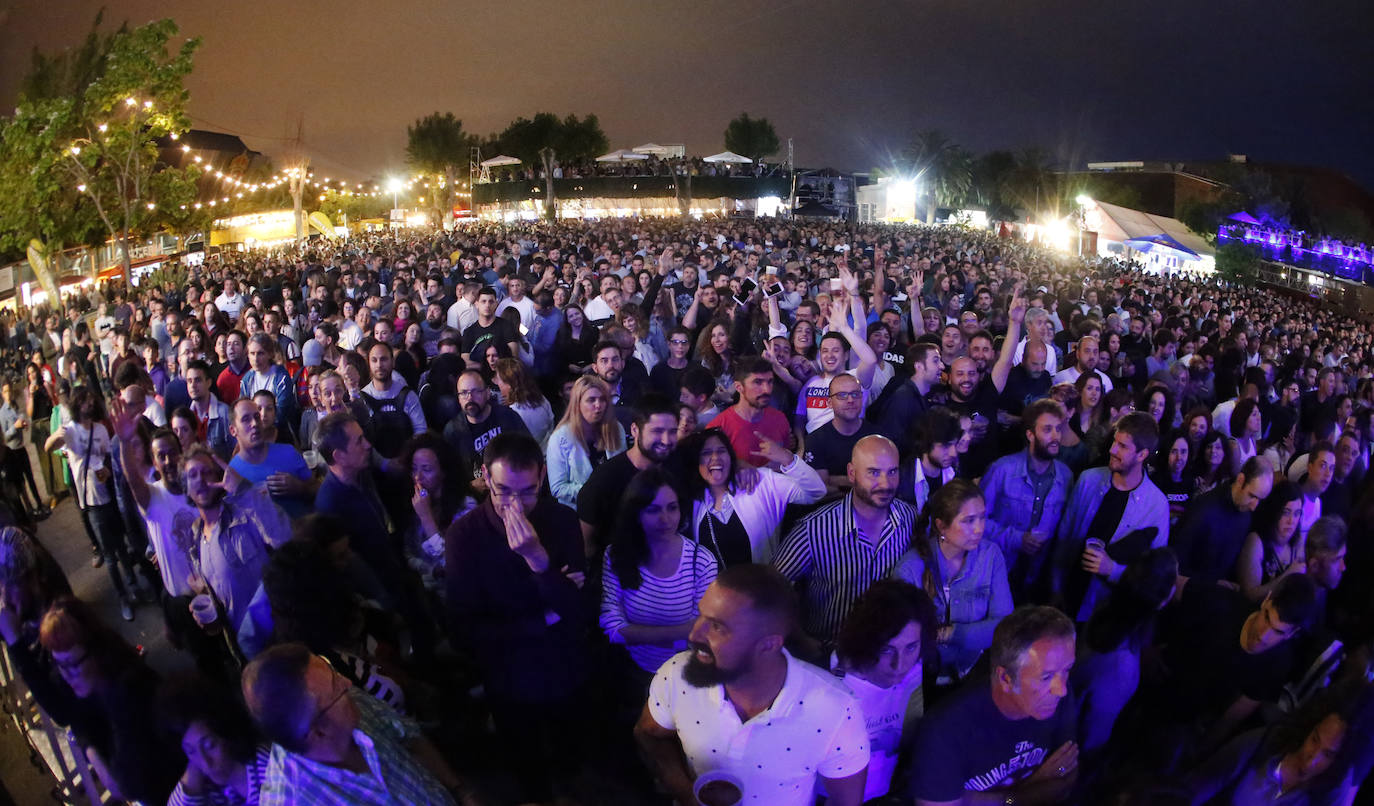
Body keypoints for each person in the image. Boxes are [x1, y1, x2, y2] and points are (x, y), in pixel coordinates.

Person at [635, 564, 870, 806]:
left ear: (768, 645)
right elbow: (650, 734)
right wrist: (685, 793)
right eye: (701, 615)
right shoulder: (676, 675)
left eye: (717, 627)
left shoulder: (837, 710)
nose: (694, 635)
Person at [445, 432, 588, 802]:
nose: (517, 506)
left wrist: (539, 561)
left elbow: (576, 612)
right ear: (485, 479)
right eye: (504, 491)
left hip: (564, 665)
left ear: (541, 476)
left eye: (527, 492)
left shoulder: (562, 521)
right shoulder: (464, 536)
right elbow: (466, 630)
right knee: (525, 762)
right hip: (508, 676)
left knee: (571, 753)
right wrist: (543, 618)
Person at [240, 643, 467, 805]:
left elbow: (409, 735)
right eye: (336, 687)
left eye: (330, 669)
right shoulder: (292, 798)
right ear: (318, 732)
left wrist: (462, 791)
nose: (347, 683)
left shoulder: (349, 700)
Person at [908, 605, 1079, 806]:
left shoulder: (1058, 699)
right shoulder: (946, 730)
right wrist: (1031, 787)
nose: (1062, 690)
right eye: (1046, 677)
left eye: (1067, 670)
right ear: (1006, 679)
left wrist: (985, 800)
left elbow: (1065, 780)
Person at [1144, 573, 1320, 766]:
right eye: (1267, 617)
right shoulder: (1224, 604)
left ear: (1292, 633)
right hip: (1154, 679)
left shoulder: (1277, 664)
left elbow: (1232, 717)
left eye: (1278, 631)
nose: (1263, 634)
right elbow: (1169, 581)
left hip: (1185, 718)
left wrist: (1199, 752)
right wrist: (1144, 646)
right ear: (1266, 600)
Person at [775, 435, 918, 646]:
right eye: (874, 472)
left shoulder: (911, 518)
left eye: (892, 472)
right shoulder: (813, 529)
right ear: (852, 473)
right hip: (831, 651)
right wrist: (800, 639)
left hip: (890, 651)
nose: (885, 484)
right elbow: (773, 589)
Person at [39, 596, 182, 804]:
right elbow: (68, 715)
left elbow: (129, 786)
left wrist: (97, 755)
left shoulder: (128, 690)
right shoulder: (80, 679)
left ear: (95, 651)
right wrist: (92, 751)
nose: (67, 675)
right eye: (60, 664)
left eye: (73, 664)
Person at [1053, 412, 1171, 622]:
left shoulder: (1156, 506)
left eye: (1123, 446)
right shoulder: (1089, 480)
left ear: (1142, 455)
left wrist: (1113, 570)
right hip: (1065, 600)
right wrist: (1055, 587)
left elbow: (1154, 577)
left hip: (1105, 615)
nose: (1112, 450)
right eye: (1115, 441)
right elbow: (1064, 536)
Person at [45, 385, 149, 621]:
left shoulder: (101, 429)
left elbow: (107, 458)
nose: (88, 404)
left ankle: (134, 587)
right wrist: (55, 436)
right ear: (75, 405)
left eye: (90, 400)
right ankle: (123, 597)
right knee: (110, 554)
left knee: (123, 548)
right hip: (92, 503)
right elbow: (48, 447)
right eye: (83, 401)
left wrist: (106, 473)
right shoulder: (69, 431)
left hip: (109, 495)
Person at [600, 468, 718, 677]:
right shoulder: (616, 555)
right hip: (632, 666)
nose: (666, 519)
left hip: (686, 669)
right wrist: (676, 633)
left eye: (672, 508)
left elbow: (700, 629)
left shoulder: (701, 561)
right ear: (636, 513)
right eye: (653, 510)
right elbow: (611, 626)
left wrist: (635, 632)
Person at [893, 480, 1013, 682]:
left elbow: (1004, 626)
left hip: (973, 669)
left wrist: (949, 633)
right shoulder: (910, 568)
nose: (979, 529)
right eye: (968, 521)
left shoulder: (990, 555)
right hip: (921, 676)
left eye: (982, 518)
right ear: (941, 526)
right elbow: (904, 639)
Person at [832, 579, 937, 802]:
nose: (900, 666)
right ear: (866, 641)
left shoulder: (917, 668)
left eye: (911, 647)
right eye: (887, 650)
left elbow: (909, 734)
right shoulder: (833, 681)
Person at [1071, 548, 1177, 761]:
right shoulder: (1122, 666)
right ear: (1161, 601)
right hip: (1071, 749)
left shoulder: (1106, 606)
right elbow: (1094, 733)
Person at [184, 445, 291, 639]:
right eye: (192, 474)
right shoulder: (196, 540)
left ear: (219, 477)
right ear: (187, 488)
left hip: (280, 633)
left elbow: (285, 538)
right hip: (245, 646)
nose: (200, 479)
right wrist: (214, 619)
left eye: (207, 472)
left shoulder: (244, 514)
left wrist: (243, 490)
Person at [681, 427, 826, 568]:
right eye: (706, 453)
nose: (715, 458)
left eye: (721, 451)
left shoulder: (761, 481)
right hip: (716, 591)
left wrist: (786, 458)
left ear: (731, 456)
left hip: (762, 588)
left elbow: (816, 492)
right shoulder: (693, 500)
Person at [980, 399, 1074, 599]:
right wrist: (1017, 538)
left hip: (1037, 578)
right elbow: (977, 522)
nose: (1056, 436)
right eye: (1047, 430)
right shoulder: (1002, 470)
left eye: (1058, 429)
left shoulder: (1065, 476)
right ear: (1030, 434)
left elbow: (1063, 533)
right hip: (998, 571)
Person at [577, 395, 680, 558]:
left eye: (673, 432)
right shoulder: (606, 479)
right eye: (657, 431)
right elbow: (585, 544)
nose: (666, 440)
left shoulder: (677, 467)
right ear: (634, 430)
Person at [159, 676, 273, 806]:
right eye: (190, 751)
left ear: (226, 730)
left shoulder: (269, 767)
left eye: (210, 745)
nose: (206, 763)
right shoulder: (211, 787)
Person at [1169, 456, 1273, 585]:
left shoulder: (1246, 511)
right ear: (1241, 480)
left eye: (1260, 500)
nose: (1254, 506)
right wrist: (1213, 583)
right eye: (1252, 496)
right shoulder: (1204, 509)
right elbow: (1177, 563)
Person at [401, 433, 473, 593]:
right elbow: (408, 552)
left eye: (426, 469)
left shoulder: (466, 506)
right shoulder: (417, 502)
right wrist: (431, 570)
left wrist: (426, 517)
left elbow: (454, 563)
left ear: (444, 471)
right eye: (414, 469)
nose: (418, 477)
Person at [226, 397, 315, 519]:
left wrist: (299, 487)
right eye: (246, 419)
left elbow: (317, 490)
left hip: (302, 533)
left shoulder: (288, 452)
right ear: (233, 430)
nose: (255, 424)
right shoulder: (233, 472)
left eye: (257, 417)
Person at [441, 369, 530, 490]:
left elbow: (529, 452)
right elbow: (448, 476)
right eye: (463, 393)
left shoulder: (507, 417)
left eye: (475, 391)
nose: (470, 398)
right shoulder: (453, 431)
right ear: (458, 398)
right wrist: (470, 487)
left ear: (487, 393)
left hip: (511, 487)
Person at [546, 374, 625, 506]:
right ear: (577, 403)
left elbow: (623, 471)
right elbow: (558, 488)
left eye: (602, 399)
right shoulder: (559, 438)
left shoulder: (616, 428)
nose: (598, 405)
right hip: (578, 510)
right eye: (591, 400)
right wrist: (597, 493)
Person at [803, 372, 880, 493]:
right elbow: (821, 488)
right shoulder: (815, 440)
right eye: (842, 395)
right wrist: (862, 480)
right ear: (829, 403)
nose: (850, 400)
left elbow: (880, 482)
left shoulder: (877, 438)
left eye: (855, 394)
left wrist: (834, 480)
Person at [1236, 479, 1305, 601]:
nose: (1291, 521)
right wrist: (1288, 575)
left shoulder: (1297, 543)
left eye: (1297, 513)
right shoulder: (1256, 542)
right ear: (1275, 511)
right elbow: (1249, 596)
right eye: (1286, 512)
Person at [358, 340, 426, 458]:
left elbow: (421, 431)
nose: (379, 365)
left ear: (393, 362)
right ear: (368, 364)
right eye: (374, 360)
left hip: (406, 461)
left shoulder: (408, 395)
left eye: (384, 359)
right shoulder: (362, 398)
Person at [492, 357, 554, 445]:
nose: (495, 382)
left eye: (498, 379)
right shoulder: (542, 399)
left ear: (509, 384)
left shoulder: (512, 415)